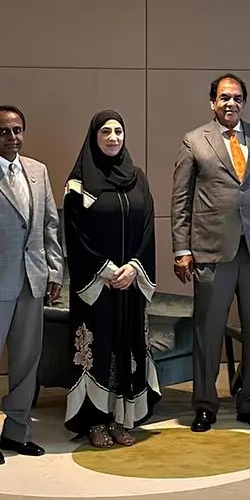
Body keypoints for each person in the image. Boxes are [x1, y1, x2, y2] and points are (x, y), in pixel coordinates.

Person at [171, 73, 250, 432]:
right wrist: (182, 248)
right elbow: (181, 198)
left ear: (244, 103)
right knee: (209, 330)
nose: (230, 103)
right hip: (211, 250)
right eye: (224, 97)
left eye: (236, 98)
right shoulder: (194, 140)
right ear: (212, 103)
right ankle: (205, 406)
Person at [63, 110, 161, 448]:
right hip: (97, 285)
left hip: (129, 283)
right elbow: (75, 236)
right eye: (105, 131)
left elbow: (148, 226)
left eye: (118, 131)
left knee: (126, 346)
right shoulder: (77, 185)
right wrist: (106, 270)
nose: (113, 137)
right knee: (98, 349)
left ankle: (121, 418)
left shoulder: (138, 178)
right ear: (94, 137)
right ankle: (94, 421)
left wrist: (134, 267)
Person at [0, 105, 63, 464]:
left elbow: (49, 225)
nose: (13, 137)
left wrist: (54, 271)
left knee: (26, 362)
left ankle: (17, 432)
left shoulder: (37, 171)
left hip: (32, 280)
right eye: (4, 131)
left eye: (17, 130)